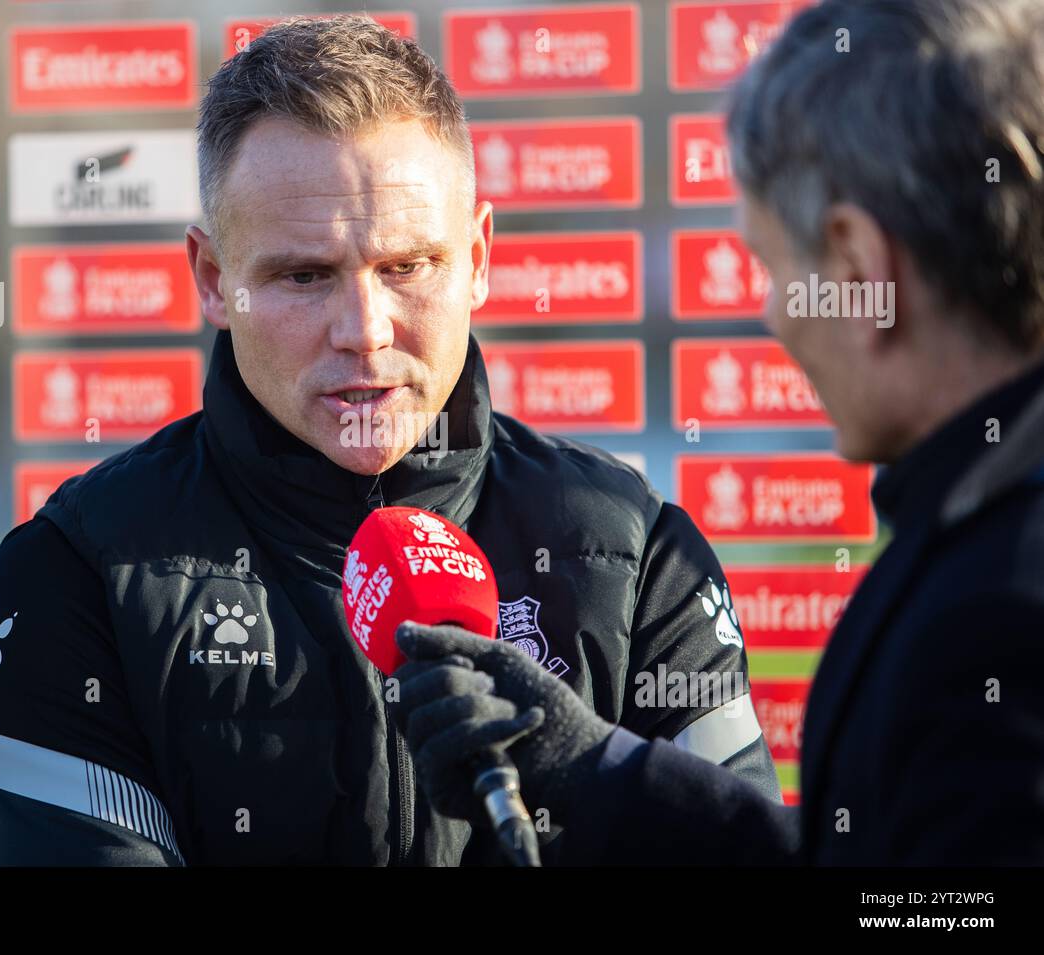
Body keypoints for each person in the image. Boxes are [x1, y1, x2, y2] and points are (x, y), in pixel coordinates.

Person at [0, 14, 777, 866]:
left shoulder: (638, 555)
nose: (364, 329)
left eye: (407, 267)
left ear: (479, 257)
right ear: (214, 279)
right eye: (303, 275)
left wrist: (590, 775)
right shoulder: (71, 577)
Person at [390, 0, 1044, 865]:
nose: (773, 315)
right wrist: (591, 766)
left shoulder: (996, 611)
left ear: (858, 268)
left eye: (775, 268)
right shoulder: (975, 529)